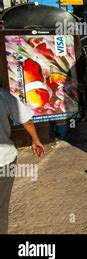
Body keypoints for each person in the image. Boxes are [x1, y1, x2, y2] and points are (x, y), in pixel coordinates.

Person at [0, 87, 45, 234]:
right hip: (4, 161)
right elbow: (26, 121)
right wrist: (36, 140)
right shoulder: (3, 95)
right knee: (2, 208)